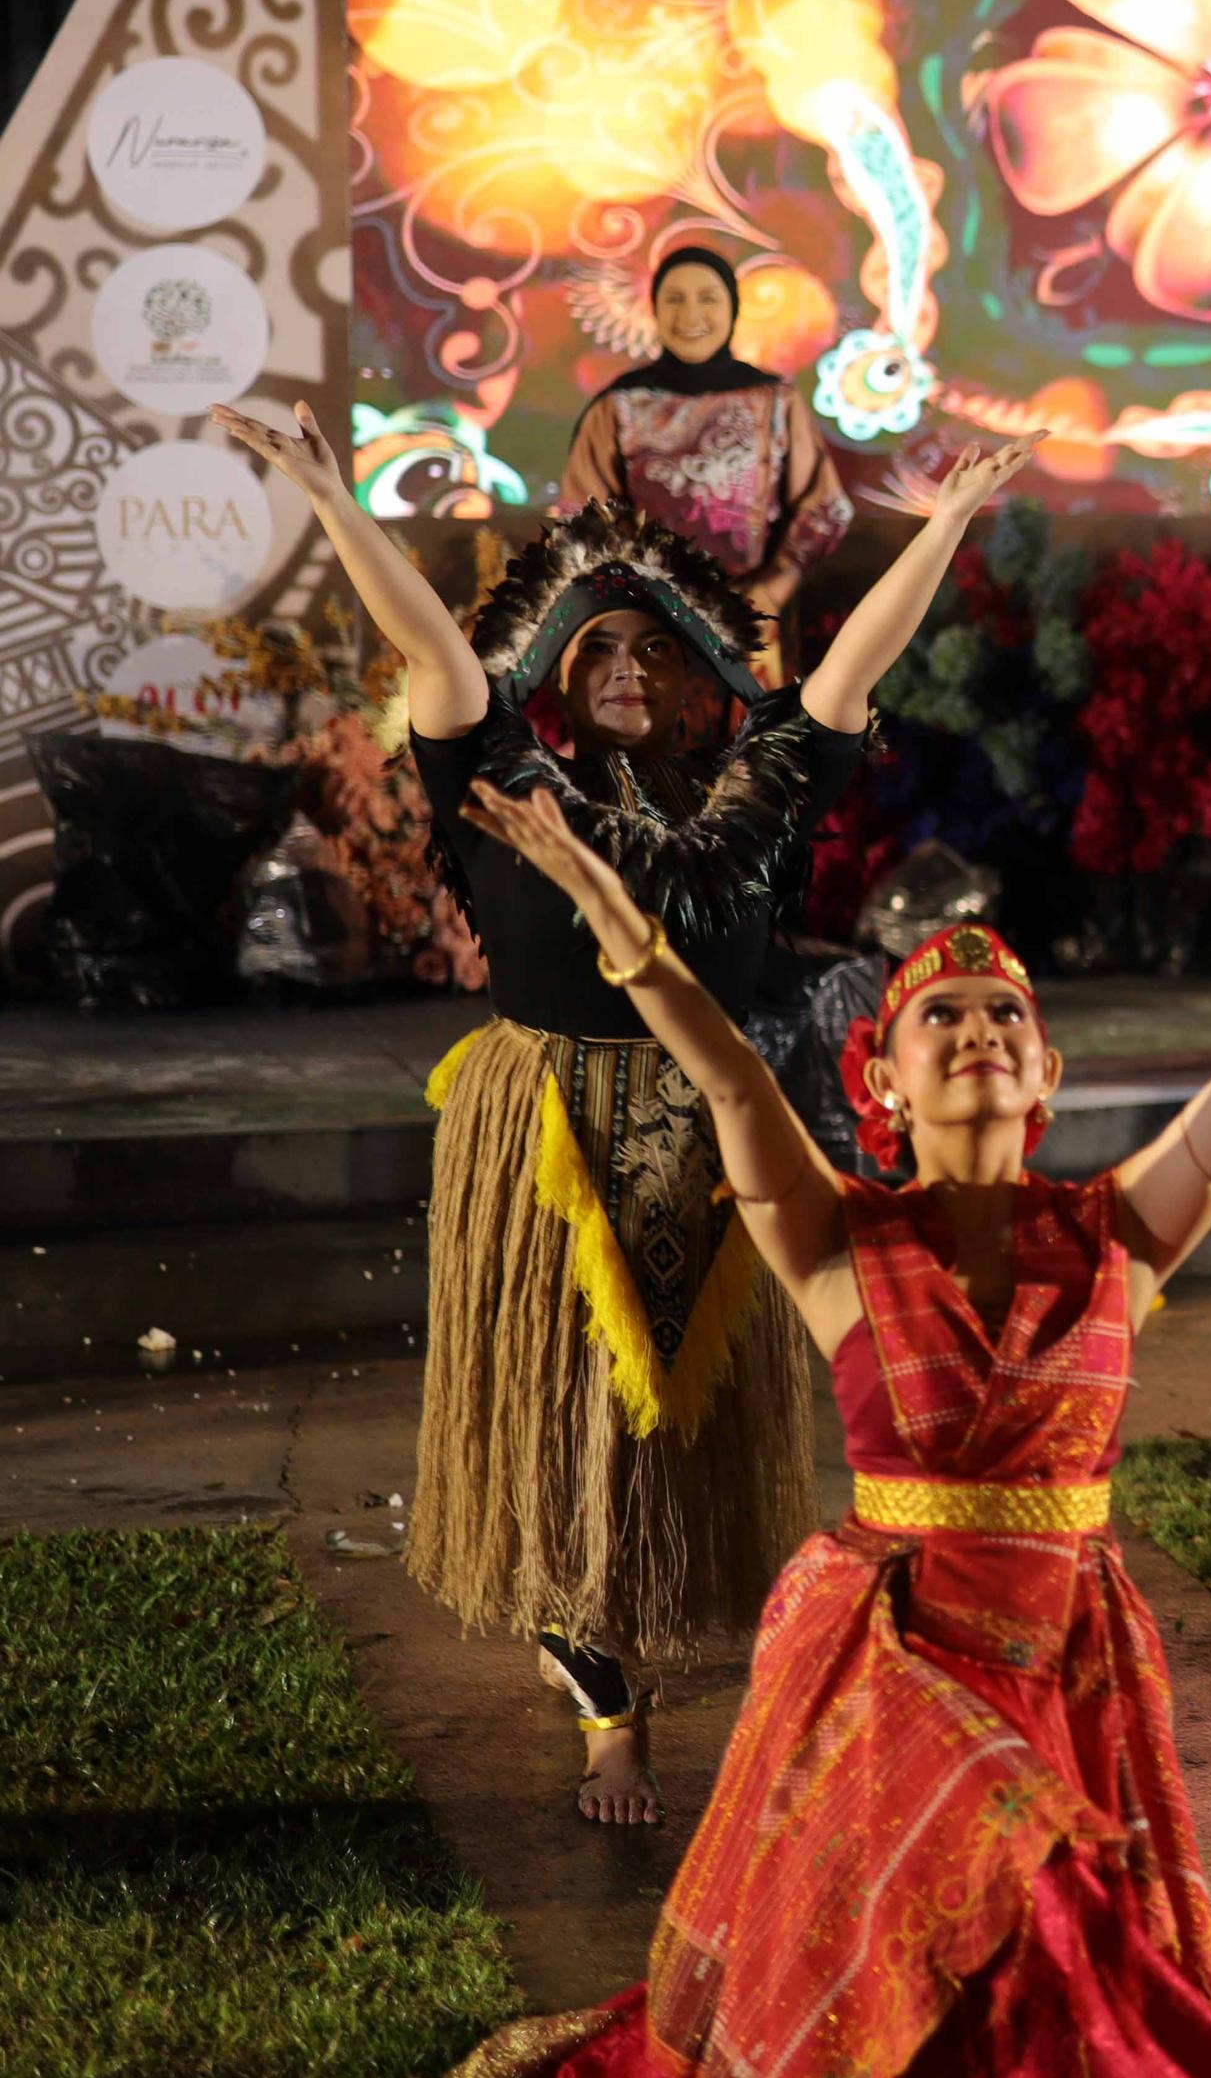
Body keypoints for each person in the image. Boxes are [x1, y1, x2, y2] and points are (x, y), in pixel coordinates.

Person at [402, 778, 1211, 2078]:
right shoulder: (835, 1237)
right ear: (882, 1082)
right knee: (1021, 1853)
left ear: (1046, 1075)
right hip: (900, 1655)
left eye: (1008, 1014)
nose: (981, 1030)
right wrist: (611, 908)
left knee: (1036, 1961)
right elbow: (736, 1076)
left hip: (1067, 1653)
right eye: (943, 1016)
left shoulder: (1117, 1234)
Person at [211, 401, 1028, 1827]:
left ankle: (672, 1648)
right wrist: (337, 503)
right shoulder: (502, 783)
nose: (630, 669)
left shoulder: (754, 802)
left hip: (716, 1125)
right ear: (553, 677)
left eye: (658, 648)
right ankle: (608, 1715)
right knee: (568, 1429)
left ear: (710, 676)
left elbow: (845, 677)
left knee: (676, 1438)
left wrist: (946, 526)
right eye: (598, 649)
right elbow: (431, 653)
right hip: (548, 1129)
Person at [557, 244, 854, 628]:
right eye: (675, 299)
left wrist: (772, 590)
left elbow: (824, 506)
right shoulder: (618, 406)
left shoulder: (776, 401)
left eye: (707, 298)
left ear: (732, 307)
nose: (691, 314)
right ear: (655, 310)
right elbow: (581, 518)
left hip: (754, 619)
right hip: (645, 625)